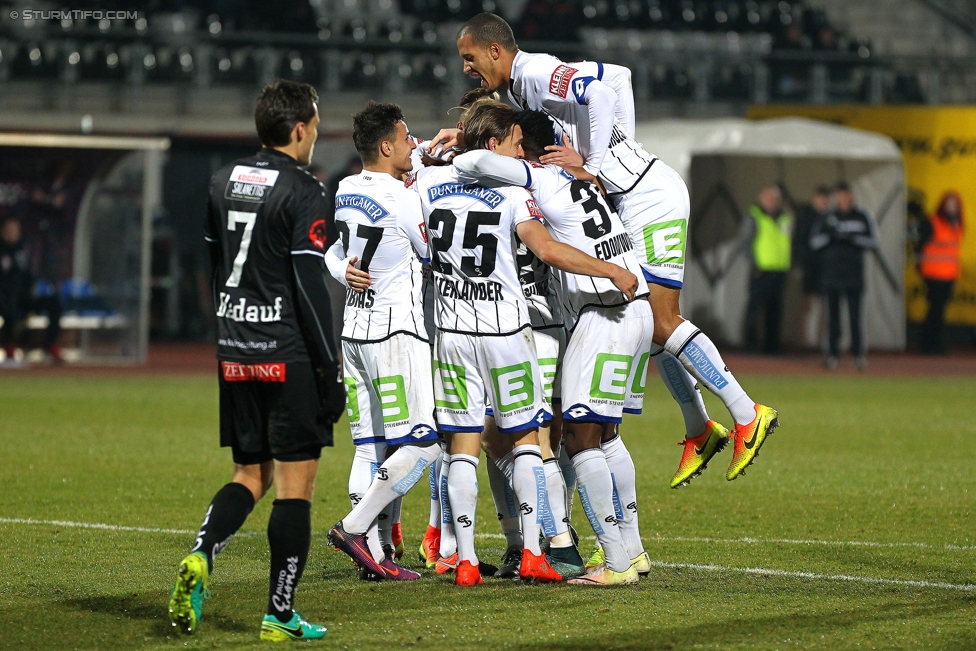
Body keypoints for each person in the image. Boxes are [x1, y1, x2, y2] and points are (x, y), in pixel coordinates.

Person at [442, 13, 778, 490]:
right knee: (648, 324)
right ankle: (699, 428)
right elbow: (616, 77)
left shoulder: (534, 71)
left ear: (495, 50)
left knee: (661, 319)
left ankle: (748, 414)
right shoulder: (519, 90)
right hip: (631, 193)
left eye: (469, 57)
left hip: (649, 194)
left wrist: (597, 164)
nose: (466, 68)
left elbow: (599, 94)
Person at [414, 103, 638, 587]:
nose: (523, 154)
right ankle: (541, 543)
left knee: (485, 443)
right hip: (531, 326)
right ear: (495, 146)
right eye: (516, 145)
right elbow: (549, 247)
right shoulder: (520, 192)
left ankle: (507, 545)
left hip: (484, 330)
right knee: (534, 443)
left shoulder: (434, 186)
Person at [168, 79, 344, 641]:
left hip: (236, 350)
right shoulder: (307, 190)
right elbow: (309, 284)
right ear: (299, 128)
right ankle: (280, 611)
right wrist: (329, 368)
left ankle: (202, 553)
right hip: (288, 353)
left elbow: (217, 266)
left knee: (250, 474)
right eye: (314, 123)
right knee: (296, 488)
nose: (315, 131)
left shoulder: (222, 181)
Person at [323, 102, 440, 581]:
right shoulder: (402, 199)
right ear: (387, 145)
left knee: (368, 446)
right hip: (396, 332)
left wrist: (341, 271)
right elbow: (433, 251)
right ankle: (354, 529)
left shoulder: (347, 187)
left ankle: (373, 555)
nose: (413, 143)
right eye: (407, 136)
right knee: (425, 443)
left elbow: (335, 252)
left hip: (353, 332)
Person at [810, 182, 877, 370]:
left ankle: (858, 355)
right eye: (841, 196)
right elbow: (814, 242)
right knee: (833, 318)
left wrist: (853, 239)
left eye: (847, 196)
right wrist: (831, 237)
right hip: (831, 275)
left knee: (856, 318)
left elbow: (873, 242)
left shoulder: (862, 216)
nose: (845, 200)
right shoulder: (828, 217)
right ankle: (832, 354)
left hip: (854, 276)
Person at [738, 185, 792, 354]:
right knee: (755, 309)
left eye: (775, 198)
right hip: (760, 271)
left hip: (779, 270)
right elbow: (744, 242)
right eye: (769, 198)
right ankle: (751, 346)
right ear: (761, 198)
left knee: (775, 311)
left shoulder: (785, 218)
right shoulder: (754, 216)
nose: (772, 201)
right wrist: (754, 263)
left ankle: (772, 346)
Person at [0, 216, 62, 364]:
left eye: (15, 229)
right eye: (9, 229)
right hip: (4, 299)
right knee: (8, 307)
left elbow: (30, 276)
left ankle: (49, 348)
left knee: (54, 304)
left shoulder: (24, 250)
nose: (12, 233)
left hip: (24, 299)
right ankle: (9, 350)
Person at [917, 191, 963, 355]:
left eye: (955, 204)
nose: (952, 207)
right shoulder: (932, 222)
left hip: (949, 275)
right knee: (934, 310)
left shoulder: (956, 224)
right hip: (933, 274)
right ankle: (928, 344)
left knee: (940, 310)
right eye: (949, 204)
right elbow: (920, 247)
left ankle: (934, 343)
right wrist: (921, 269)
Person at [794, 187, 830, 348]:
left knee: (825, 307)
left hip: (827, 269)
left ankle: (821, 342)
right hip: (810, 268)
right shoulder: (805, 217)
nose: (823, 202)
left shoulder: (830, 218)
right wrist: (802, 261)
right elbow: (799, 242)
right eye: (821, 198)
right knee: (808, 306)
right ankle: (805, 342)